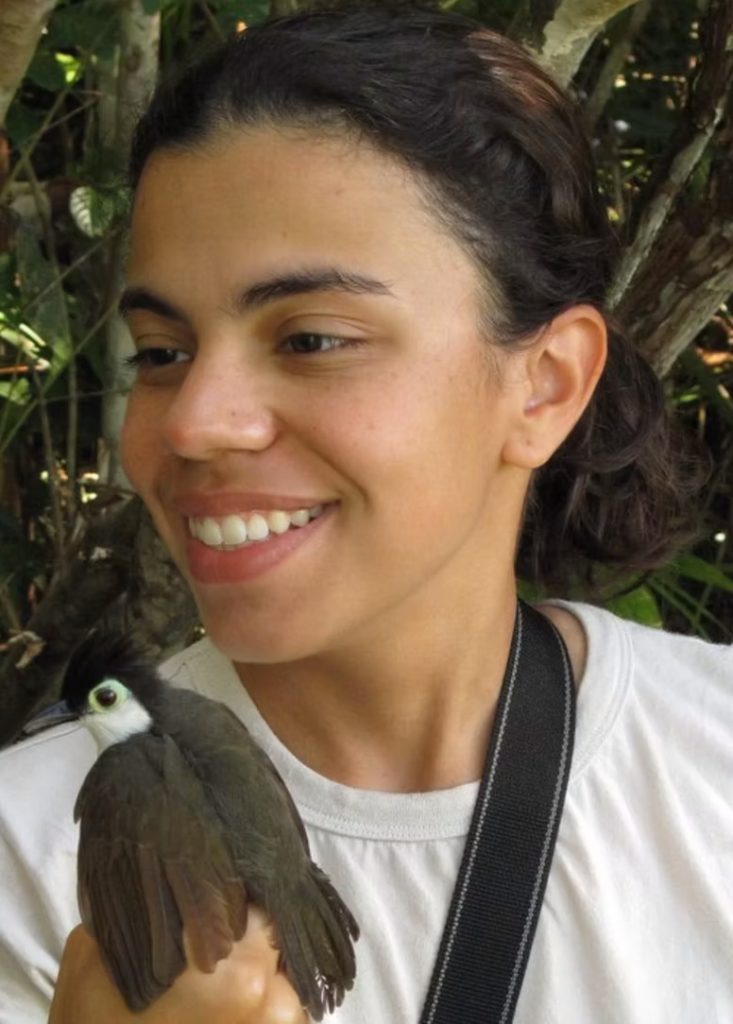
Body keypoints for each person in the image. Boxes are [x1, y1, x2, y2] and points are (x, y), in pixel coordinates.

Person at [1, 3, 731, 1022]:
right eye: (162, 353)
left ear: (545, 386)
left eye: (309, 338)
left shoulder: (709, 768)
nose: (194, 423)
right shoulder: (28, 861)